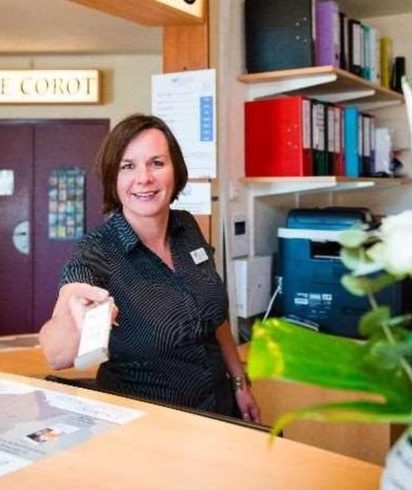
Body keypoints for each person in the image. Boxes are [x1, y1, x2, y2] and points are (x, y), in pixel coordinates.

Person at [39, 113, 261, 423]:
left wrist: (239, 381)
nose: (143, 178)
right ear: (113, 178)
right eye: (128, 166)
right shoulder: (96, 250)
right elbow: (57, 355)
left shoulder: (187, 227)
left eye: (156, 163)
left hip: (218, 413)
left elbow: (214, 316)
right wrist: (72, 305)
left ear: (175, 171)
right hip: (147, 426)